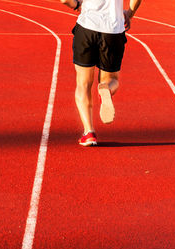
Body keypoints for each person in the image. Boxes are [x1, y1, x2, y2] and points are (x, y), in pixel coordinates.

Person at [60, 0, 142, 146]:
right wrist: (129, 13)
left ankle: (89, 132)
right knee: (111, 79)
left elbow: (65, 0)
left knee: (83, 83)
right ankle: (107, 90)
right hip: (113, 30)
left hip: (86, 27)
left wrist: (76, 5)